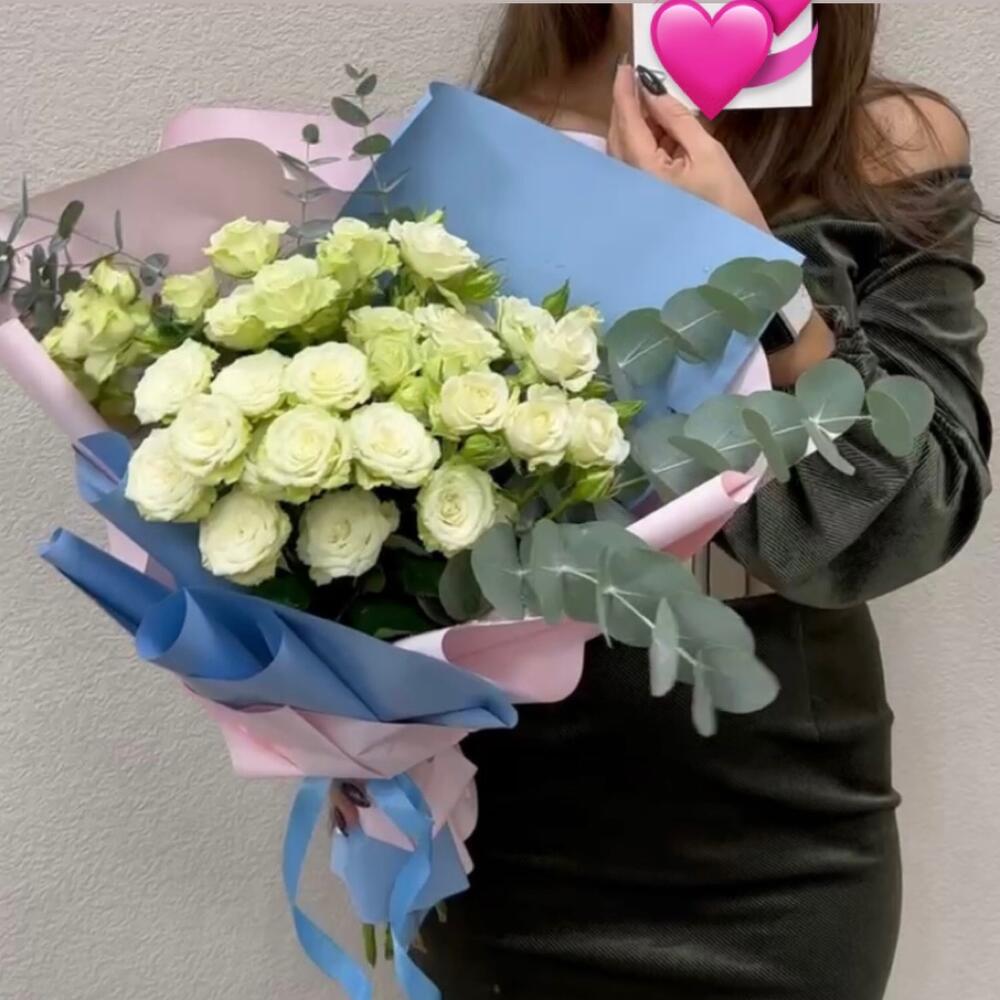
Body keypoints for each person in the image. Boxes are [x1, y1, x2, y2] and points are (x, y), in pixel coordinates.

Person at [337, 5, 994, 998]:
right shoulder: (468, 146)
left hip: (783, 825)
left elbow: (905, 526)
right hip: (504, 815)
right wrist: (352, 711)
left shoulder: (884, 146)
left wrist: (754, 273)